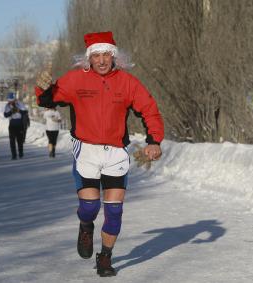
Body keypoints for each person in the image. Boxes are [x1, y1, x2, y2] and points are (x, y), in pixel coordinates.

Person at [35, 31, 164, 277]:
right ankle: (86, 226)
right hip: (87, 151)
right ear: (89, 58)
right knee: (90, 206)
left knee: (114, 211)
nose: (102, 60)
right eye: (97, 55)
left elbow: (150, 110)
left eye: (107, 54)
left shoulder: (127, 82)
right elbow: (47, 100)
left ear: (114, 56)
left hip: (115, 152)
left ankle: (105, 256)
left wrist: (154, 140)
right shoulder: (75, 80)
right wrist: (42, 87)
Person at [4, 92, 29, 159]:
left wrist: (18, 110)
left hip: (19, 123)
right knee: (12, 141)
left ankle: (20, 152)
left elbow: (25, 112)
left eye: (12, 100)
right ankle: (14, 155)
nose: (10, 102)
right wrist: (11, 112)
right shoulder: (7, 105)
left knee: (19, 140)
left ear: (14, 99)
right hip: (12, 124)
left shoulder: (19, 103)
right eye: (9, 100)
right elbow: (5, 115)